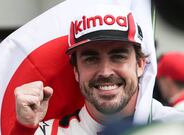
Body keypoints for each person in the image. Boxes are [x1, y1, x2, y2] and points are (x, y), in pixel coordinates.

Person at [14, 5, 184, 135]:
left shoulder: (176, 126)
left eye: (118, 56)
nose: (105, 71)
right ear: (76, 72)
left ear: (140, 64)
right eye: (91, 59)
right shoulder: (50, 132)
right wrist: (23, 129)